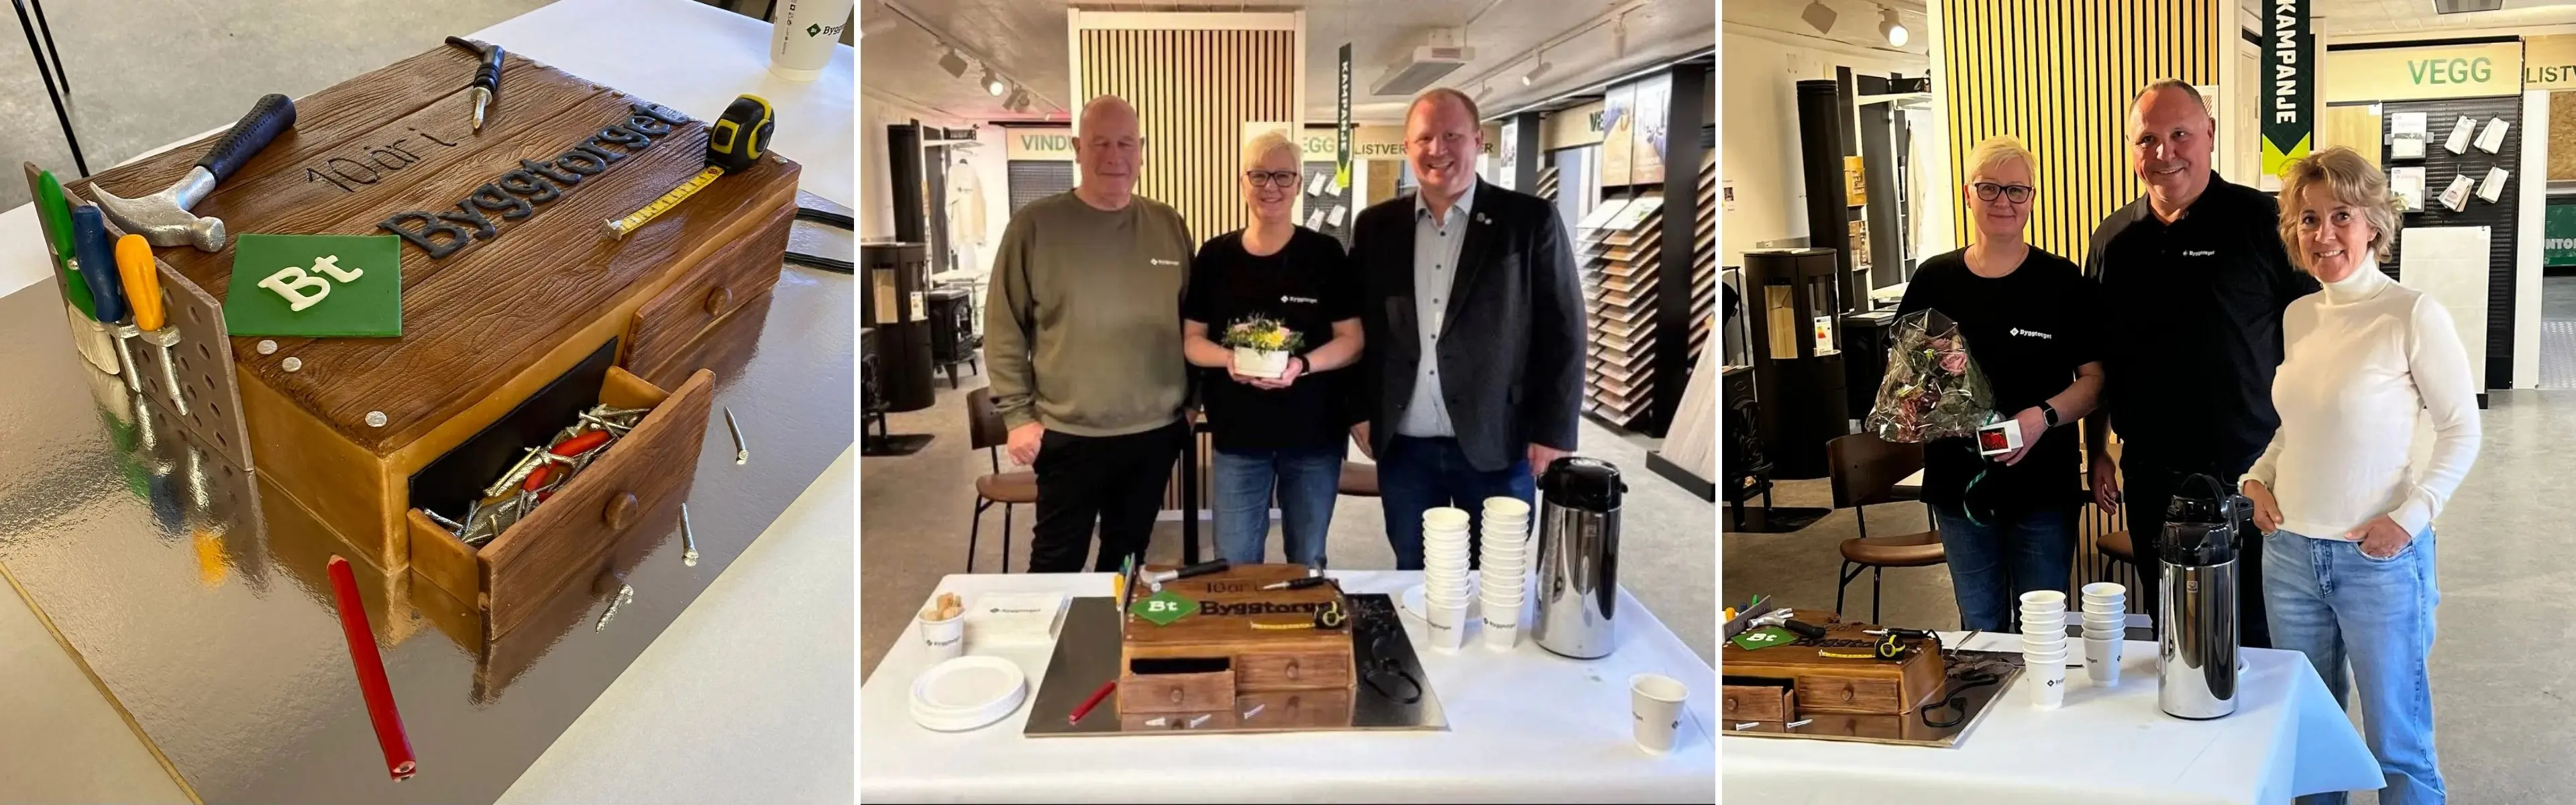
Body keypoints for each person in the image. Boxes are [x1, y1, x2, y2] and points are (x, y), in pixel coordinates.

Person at [2244, 146, 2476, 804]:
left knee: (2398, 747)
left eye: (2340, 216)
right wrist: (2256, 478)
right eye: (2308, 219)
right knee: (2313, 740)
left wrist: (2409, 520)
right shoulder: (2299, 316)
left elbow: (2462, 430)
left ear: (2373, 223)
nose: (2324, 234)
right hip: (2289, 557)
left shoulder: (2411, 314)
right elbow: (2297, 425)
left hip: (2379, 563)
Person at [2083, 79, 2318, 647]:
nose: (2164, 153)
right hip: (2151, 476)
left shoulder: (2266, 222)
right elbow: (2098, 359)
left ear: (2209, 134)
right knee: (2175, 631)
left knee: (2258, 633)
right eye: (2148, 139)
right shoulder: (2113, 240)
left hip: (2252, 469)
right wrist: (2096, 451)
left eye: (2180, 134)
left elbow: (2316, 342)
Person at [1348, 89, 1585, 570]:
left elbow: (1564, 330)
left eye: (1452, 136)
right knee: (1415, 571)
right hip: (1405, 445)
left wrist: (1554, 430)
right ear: (1407, 146)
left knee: (1495, 576)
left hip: (1498, 440)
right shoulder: (1375, 227)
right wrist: (1357, 410)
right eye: (1425, 138)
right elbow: (1356, 326)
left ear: (1478, 141)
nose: (1438, 149)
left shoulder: (1529, 221)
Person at [1894, 136, 2104, 633]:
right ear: (1968, 194)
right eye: (1988, 188)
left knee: (2043, 628)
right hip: (1959, 491)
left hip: (2044, 489)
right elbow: (1904, 379)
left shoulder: (2061, 281)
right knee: (1980, 629)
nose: (2003, 201)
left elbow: (2095, 384)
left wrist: (2041, 418)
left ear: (2032, 198)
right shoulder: (1934, 281)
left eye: (2016, 190)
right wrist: (1918, 401)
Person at [983, 95, 1196, 573]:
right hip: (1067, 434)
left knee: (1127, 562)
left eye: (1125, 143)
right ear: (1078, 148)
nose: (1114, 156)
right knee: (1055, 566)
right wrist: (1017, 416)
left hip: (1154, 433)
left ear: (1141, 150)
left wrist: (1191, 405)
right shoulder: (1035, 226)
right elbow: (1003, 326)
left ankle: (1108, 625)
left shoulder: (1167, 224)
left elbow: (1195, 319)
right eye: (1100, 143)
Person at [1183, 131, 1364, 568]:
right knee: (1234, 562)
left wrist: (1302, 365)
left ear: (1299, 184)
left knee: (1307, 559)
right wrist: (1229, 359)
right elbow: (1192, 341)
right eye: (1260, 175)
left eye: (1284, 176)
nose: (1271, 186)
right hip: (1238, 437)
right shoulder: (1215, 256)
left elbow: (1353, 341)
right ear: (1242, 182)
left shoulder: (1325, 254)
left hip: (1314, 436)